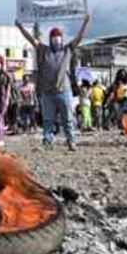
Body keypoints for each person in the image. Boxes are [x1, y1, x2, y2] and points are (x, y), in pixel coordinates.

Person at [15, 13, 91, 152]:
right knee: (48, 119)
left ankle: (71, 141)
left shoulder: (67, 49)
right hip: (48, 92)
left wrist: (86, 23)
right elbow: (31, 39)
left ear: (62, 39)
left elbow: (79, 38)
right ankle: (48, 141)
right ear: (50, 39)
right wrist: (21, 28)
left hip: (64, 90)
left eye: (58, 37)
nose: (56, 39)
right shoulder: (44, 50)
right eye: (54, 37)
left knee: (68, 118)